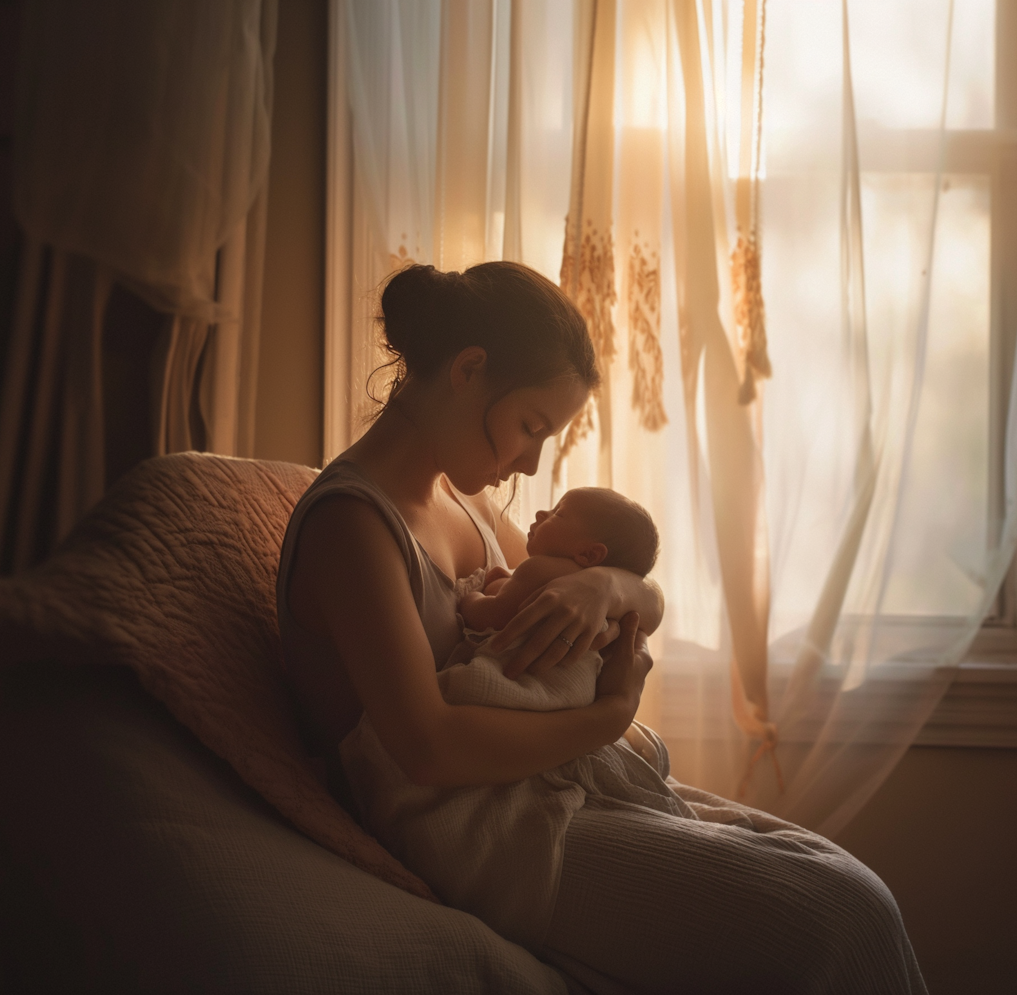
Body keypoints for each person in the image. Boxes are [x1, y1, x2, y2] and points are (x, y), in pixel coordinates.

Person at [276, 261, 925, 994]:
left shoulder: (471, 508)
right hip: (483, 834)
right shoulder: (352, 528)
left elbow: (637, 602)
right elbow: (427, 748)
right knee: (839, 919)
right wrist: (611, 716)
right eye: (529, 426)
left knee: (852, 885)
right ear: (467, 370)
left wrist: (609, 583)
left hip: (546, 790)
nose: (530, 460)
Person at [459, 486, 659, 635]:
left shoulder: (538, 568)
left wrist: (470, 599)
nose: (541, 513)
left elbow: (492, 616)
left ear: (589, 555)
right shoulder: (579, 583)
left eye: (559, 513)